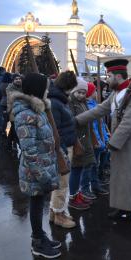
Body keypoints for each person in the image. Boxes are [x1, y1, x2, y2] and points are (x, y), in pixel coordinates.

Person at [74, 59, 131, 223]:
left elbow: (128, 122)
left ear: (118, 76)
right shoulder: (116, 94)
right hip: (119, 142)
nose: (106, 78)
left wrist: (113, 143)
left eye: (109, 75)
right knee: (121, 178)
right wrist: (76, 120)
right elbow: (99, 109)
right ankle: (124, 209)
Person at [11, 72, 62, 259]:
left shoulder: (36, 110)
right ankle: (37, 243)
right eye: (46, 87)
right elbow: (29, 151)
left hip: (42, 169)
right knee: (36, 204)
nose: (48, 90)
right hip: (36, 172)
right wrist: (44, 176)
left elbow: (47, 139)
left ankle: (40, 236)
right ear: (38, 90)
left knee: (39, 204)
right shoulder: (26, 114)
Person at [48, 71, 78, 229]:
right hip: (63, 147)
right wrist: (62, 151)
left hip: (66, 145)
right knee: (62, 182)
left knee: (61, 182)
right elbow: (56, 130)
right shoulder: (56, 102)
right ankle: (59, 215)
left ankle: (55, 212)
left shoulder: (59, 100)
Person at [68, 78, 97, 210]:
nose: (81, 95)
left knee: (81, 168)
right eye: (79, 92)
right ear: (74, 91)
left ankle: (78, 193)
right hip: (77, 140)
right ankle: (73, 196)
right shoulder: (70, 104)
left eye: (83, 93)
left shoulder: (83, 103)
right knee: (76, 168)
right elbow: (72, 122)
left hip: (86, 139)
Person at [85, 82, 111, 194]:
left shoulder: (95, 104)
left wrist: (105, 138)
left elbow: (101, 126)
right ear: (91, 93)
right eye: (95, 90)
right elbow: (94, 128)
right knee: (92, 165)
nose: (98, 92)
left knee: (96, 164)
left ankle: (96, 184)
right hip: (94, 142)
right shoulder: (89, 107)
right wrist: (100, 141)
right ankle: (91, 186)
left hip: (100, 140)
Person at [6, 73, 22, 152]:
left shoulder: (22, 87)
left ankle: (9, 145)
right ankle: (17, 144)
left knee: (13, 129)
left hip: (20, 111)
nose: (18, 80)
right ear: (13, 80)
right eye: (16, 79)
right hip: (13, 110)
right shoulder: (10, 88)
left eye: (19, 79)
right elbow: (12, 98)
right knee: (14, 128)